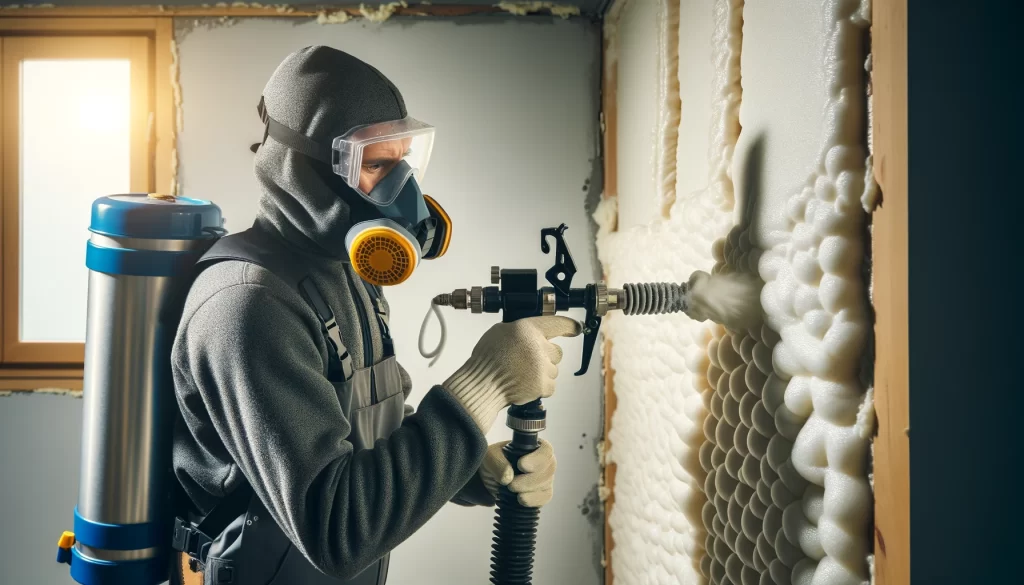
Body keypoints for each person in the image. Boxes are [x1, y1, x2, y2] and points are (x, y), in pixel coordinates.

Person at [169, 45, 580, 585]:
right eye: (377, 165)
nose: (401, 193)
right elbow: (336, 530)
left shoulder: (347, 274)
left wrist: (469, 470)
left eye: (404, 161)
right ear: (304, 167)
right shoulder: (245, 306)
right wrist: (486, 385)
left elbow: (367, 438)